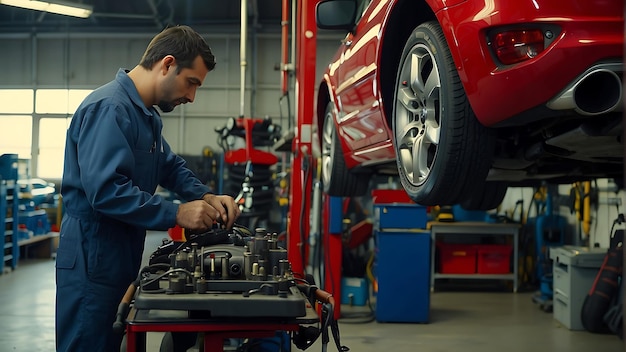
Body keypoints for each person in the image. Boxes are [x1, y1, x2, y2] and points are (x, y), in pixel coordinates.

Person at [55, 25, 241, 352]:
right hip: (92, 254)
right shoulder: (110, 108)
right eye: (191, 83)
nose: (192, 96)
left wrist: (206, 196)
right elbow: (106, 191)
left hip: (119, 250)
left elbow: (169, 166)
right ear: (167, 64)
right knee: (89, 343)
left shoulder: (145, 117)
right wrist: (177, 213)